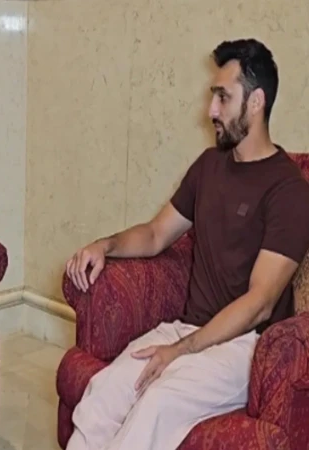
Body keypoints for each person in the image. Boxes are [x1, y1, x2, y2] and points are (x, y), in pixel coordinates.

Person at [64, 38, 309, 450]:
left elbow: (261, 302)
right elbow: (156, 234)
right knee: (103, 394)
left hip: (243, 347)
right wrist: (105, 246)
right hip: (187, 329)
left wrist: (180, 351)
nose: (211, 110)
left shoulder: (289, 190)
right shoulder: (209, 166)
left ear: (256, 102)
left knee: (155, 406)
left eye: (223, 97)